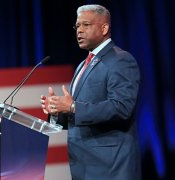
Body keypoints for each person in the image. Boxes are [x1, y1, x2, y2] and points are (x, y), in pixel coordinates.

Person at [41, 4, 141, 180]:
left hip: (110, 168)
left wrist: (72, 106)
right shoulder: (82, 65)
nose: (79, 30)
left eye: (86, 25)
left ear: (104, 28)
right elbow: (80, 115)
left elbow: (122, 108)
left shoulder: (121, 60)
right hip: (84, 167)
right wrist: (58, 112)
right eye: (77, 26)